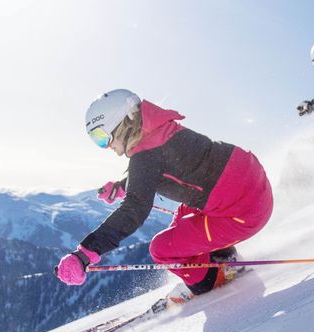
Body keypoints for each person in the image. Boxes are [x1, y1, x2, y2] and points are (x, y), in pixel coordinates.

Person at [55, 89, 273, 303]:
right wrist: (123, 186)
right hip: (251, 183)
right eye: (97, 139)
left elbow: (134, 209)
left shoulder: (146, 158)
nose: (106, 145)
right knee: (181, 217)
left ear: (124, 124)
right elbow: (169, 167)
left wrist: (84, 254)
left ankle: (212, 279)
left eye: (102, 136)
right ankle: (223, 258)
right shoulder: (162, 129)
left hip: (244, 211)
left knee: (163, 249)